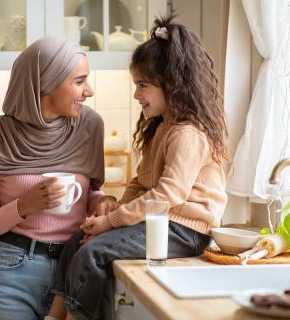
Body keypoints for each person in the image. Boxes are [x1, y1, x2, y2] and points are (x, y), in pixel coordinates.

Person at [46, 15, 229, 320]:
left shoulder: (187, 133)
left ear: (171, 84)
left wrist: (113, 222)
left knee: (93, 253)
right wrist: (113, 211)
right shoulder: (162, 128)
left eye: (142, 85)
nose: (136, 95)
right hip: (162, 222)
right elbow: (142, 183)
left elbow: (167, 195)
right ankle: (54, 316)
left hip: (185, 230)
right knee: (76, 241)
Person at [0, 36, 112, 320]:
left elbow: (88, 194)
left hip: (77, 269)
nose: (89, 90)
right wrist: (22, 207)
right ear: (46, 82)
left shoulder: (89, 127)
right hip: (13, 271)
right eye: (79, 81)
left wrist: (103, 202)